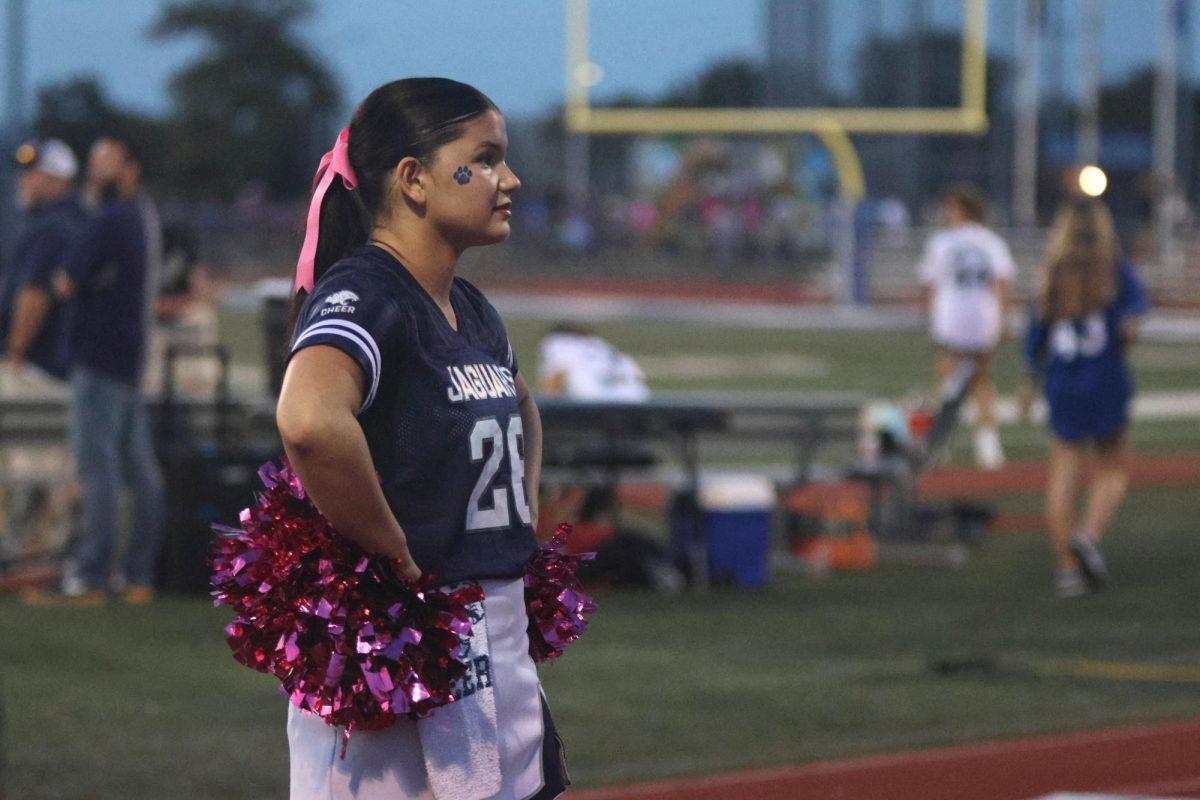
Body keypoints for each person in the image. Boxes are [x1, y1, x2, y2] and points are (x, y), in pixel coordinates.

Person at [276, 78, 568, 799]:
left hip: (493, 638)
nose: (510, 178)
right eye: (487, 158)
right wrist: (390, 546)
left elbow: (521, 405)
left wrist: (521, 514)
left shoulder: (469, 305)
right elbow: (308, 420)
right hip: (403, 650)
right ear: (414, 179)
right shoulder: (368, 292)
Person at [24, 136, 166, 607]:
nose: (95, 171)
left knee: (97, 469)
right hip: (130, 356)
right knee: (138, 469)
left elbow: (65, 282)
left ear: (131, 167)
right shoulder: (142, 213)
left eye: (104, 163)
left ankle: (89, 575)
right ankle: (138, 575)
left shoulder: (110, 218)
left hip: (99, 357)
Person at [1020, 198, 1149, 599]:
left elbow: (1034, 339)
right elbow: (1130, 329)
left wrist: (1028, 381)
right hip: (1106, 378)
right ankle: (1088, 536)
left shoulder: (1051, 274)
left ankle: (1067, 569)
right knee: (1114, 467)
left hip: (1063, 382)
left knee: (1063, 475)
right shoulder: (1115, 270)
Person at [0, 139, 85, 569]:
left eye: (34, 173)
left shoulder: (49, 226)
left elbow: (33, 296)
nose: (25, 180)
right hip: (63, 362)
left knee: (32, 463)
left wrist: (16, 349)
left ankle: (34, 550)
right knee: (49, 463)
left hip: (38, 363)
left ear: (57, 179)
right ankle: (40, 544)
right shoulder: (71, 219)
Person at [918, 183, 1017, 469]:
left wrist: (929, 314)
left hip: (952, 316)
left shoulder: (942, 242)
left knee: (947, 380)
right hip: (984, 317)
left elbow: (929, 283)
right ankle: (987, 444)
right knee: (981, 382)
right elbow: (1003, 282)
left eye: (951, 207)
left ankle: (938, 443)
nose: (945, 213)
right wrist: (1003, 318)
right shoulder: (992, 242)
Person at [537, 321, 649, 403]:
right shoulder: (603, 346)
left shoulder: (557, 343)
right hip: (638, 403)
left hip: (593, 407)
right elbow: (637, 378)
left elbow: (554, 384)